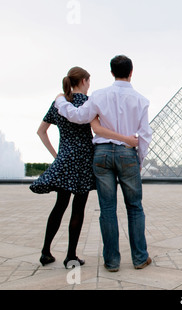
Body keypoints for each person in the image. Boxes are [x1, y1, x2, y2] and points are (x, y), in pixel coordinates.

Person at [31, 67, 138, 269]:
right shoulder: (89, 103)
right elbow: (98, 128)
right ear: (84, 81)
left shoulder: (59, 103)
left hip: (65, 159)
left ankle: (46, 251)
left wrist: (57, 156)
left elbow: (41, 132)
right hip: (83, 159)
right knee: (77, 209)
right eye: (89, 82)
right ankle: (71, 256)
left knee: (59, 206)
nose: (90, 86)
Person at [55, 55, 153, 272]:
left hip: (101, 154)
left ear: (111, 73)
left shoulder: (99, 95)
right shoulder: (141, 100)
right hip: (127, 153)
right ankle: (139, 258)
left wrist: (61, 101)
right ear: (131, 72)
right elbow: (145, 135)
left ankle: (112, 261)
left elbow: (78, 116)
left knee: (107, 209)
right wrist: (139, 161)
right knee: (135, 207)